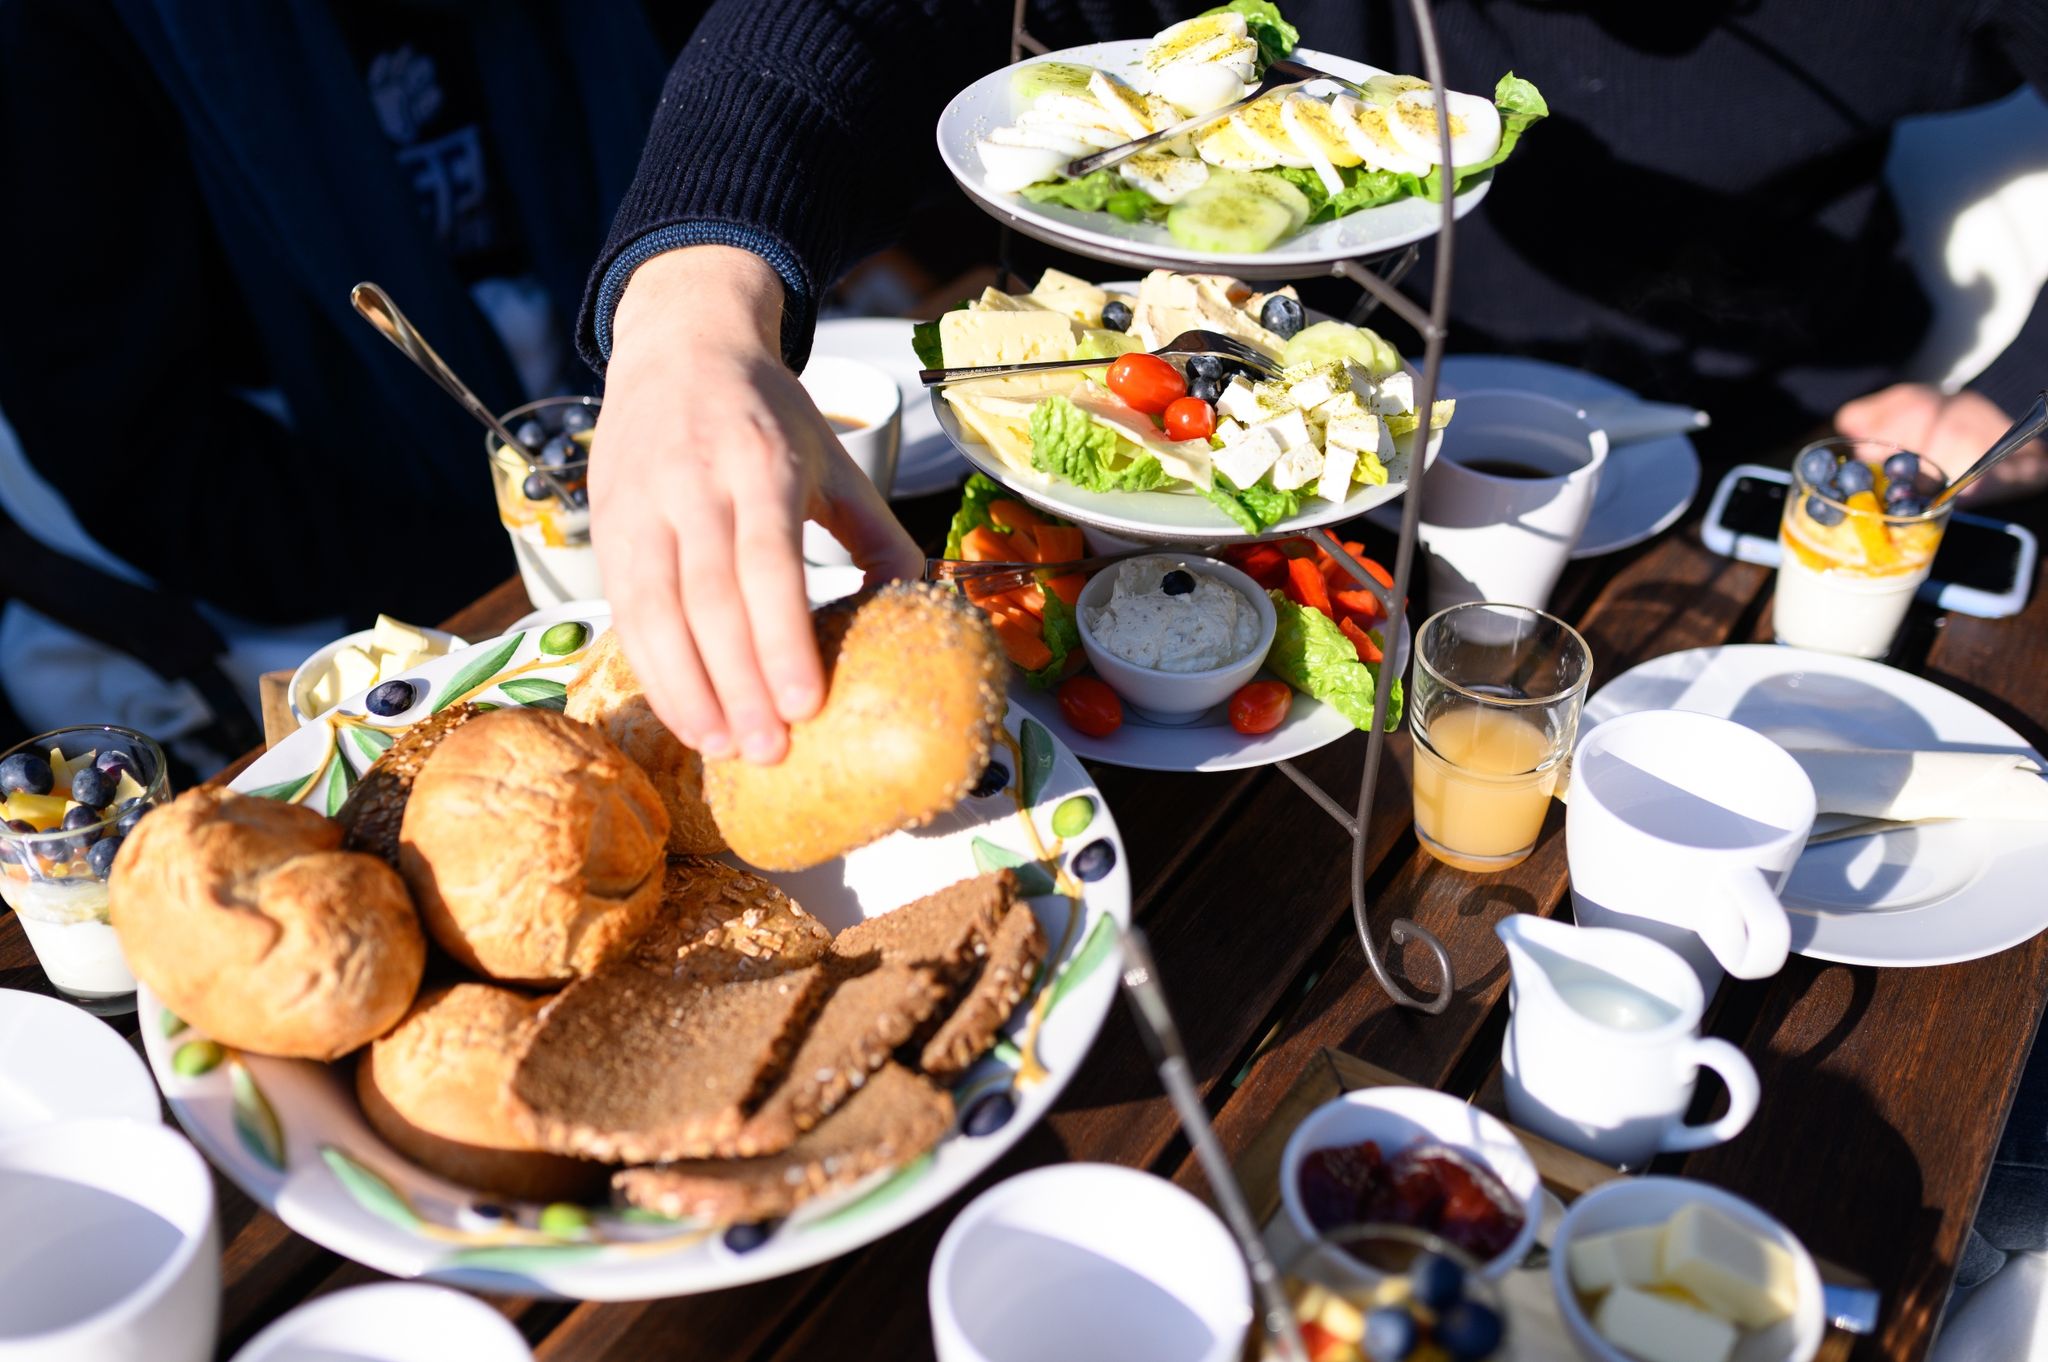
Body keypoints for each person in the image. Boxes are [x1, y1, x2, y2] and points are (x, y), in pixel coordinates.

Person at [580, 0, 2048, 768]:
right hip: (1229, 474)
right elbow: (854, 22)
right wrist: (692, 314)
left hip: (1759, 494)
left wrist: (2018, 399)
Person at [0, 0, 683, 751]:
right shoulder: (66, 45)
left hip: (607, 429)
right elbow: (142, 457)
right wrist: (501, 558)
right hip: (310, 572)